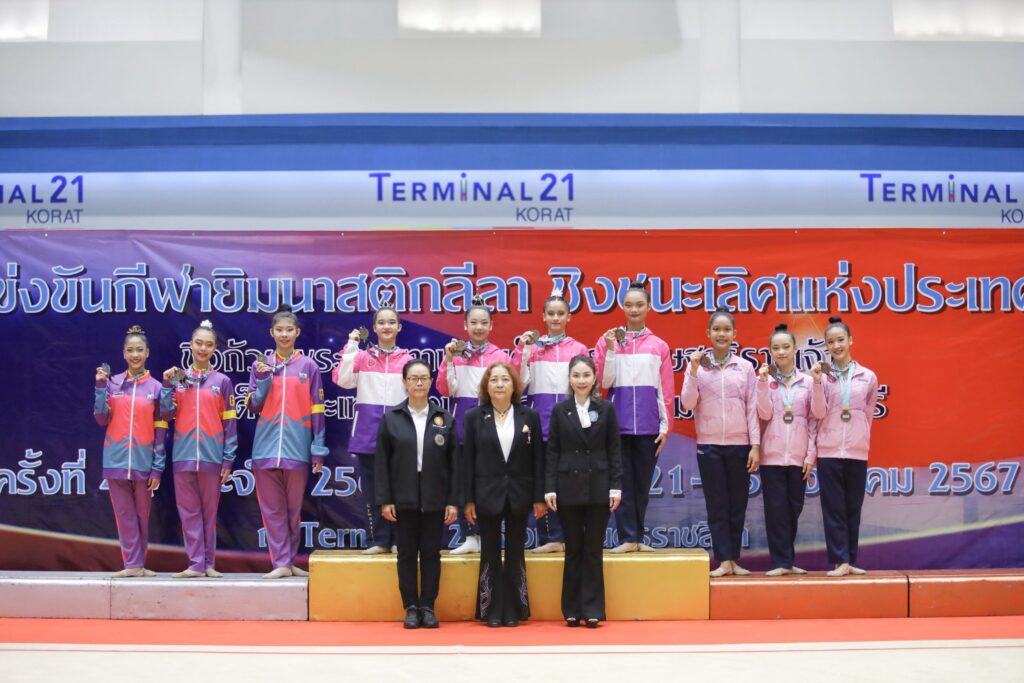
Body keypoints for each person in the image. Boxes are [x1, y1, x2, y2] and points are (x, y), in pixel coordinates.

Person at [245, 306, 328, 579]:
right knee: (272, 511)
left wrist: (318, 450)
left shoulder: (309, 367)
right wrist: (263, 379)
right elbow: (254, 406)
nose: (284, 334)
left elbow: (318, 409)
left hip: (297, 449)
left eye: (289, 329)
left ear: (297, 332)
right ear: (271, 333)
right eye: (279, 330)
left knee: (293, 511)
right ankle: (280, 562)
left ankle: (289, 562)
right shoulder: (260, 365)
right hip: (265, 449)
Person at [376, 359, 459, 629]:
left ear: (431, 381)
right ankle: (411, 607)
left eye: (424, 378)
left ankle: (428, 606)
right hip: (403, 495)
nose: (419, 383)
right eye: (413, 378)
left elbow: (454, 465)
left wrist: (453, 501)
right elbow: (382, 463)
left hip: (436, 496)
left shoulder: (444, 418)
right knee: (407, 553)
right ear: (405, 382)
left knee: (432, 553)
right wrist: (386, 500)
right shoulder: (392, 418)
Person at [593, 280, 674, 553]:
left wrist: (665, 427)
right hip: (617, 426)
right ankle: (627, 538)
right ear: (622, 307)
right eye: (629, 305)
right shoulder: (608, 341)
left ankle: (638, 537)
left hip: (650, 428)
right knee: (621, 484)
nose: (634, 310)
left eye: (639, 304)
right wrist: (610, 349)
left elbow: (665, 390)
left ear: (649, 306)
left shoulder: (659, 346)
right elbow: (603, 382)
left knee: (641, 485)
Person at [463, 363, 546, 627]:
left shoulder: (529, 416)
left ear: (514, 386)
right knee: (489, 551)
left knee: (515, 552)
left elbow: (538, 459)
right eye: (494, 380)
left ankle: (514, 609)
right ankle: (490, 609)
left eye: (505, 380)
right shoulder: (474, 417)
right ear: (486, 387)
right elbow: (467, 460)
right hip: (486, 494)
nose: (499, 384)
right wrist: (468, 499)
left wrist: (539, 497)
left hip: (519, 493)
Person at [680, 306, 760, 577]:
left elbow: (752, 408)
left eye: (726, 329)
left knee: (737, 504)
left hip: (740, 446)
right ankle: (723, 560)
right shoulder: (698, 367)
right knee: (716, 505)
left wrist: (755, 446)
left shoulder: (745, 367)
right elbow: (687, 403)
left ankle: (733, 560)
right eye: (716, 329)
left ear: (734, 334)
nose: (721, 334)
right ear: (708, 333)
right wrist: (692, 371)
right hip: (709, 446)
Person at [545, 355, 622, 628]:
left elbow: (614, 450)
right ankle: (571, 608)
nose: (581, 380)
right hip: (568, 488)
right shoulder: (560, 410)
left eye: (586, 375)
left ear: (594, 378)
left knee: (593, 549)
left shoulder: (606, 409)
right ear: (569, 379)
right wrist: (549, 488)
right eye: (576, 375)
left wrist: (615, 486)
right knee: (573, 549)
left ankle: (592, 609)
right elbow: (552, 451)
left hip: (599, 487)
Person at [511, 285, 589, 554]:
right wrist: (523, 350)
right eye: (551, 314)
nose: (556, 318)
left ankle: (569, 536)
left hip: (572, 429)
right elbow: (519, 384)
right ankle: (550, 537)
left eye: (560, 313)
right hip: (540, 428)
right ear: (543, 317)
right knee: (544, 484)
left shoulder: (579, 349)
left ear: (569, 317)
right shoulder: (532, 348)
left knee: (569, 484)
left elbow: (586, 387)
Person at [333, 304, 413, 555]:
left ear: (399, 327)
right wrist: (351, 347)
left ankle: (400, 539)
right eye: (381, 322)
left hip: (400, 436)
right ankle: (379, 540)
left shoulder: (408, 360)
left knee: (400, 490)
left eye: (391, 322)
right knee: (372, 490)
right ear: (374, 328)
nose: (387, 326)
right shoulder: (361, 357)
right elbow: (342, 380)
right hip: (367, 435)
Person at [160, 320, 238, 578]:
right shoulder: (179, 378)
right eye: (199, 343)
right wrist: (167, 386)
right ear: (190, 345)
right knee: (189, 513)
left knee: (209, 513)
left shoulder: (222, 381)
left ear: (215, 348)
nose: (203, 349)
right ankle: (195, 564)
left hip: (212, 456)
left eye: (208, 344)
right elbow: (166, 413)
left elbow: (230, 423)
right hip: (183, 456)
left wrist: (228, 459)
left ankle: (209, 564)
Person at [436, 294, 511, 555]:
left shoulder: (500, 356)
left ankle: (488, 535)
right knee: (463, 483)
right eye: (474, 323)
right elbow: (445, 390)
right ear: (465, 325)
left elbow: (509, 391)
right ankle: (469, 536)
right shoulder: (456, 353)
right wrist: (448, 360)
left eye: (484, 323)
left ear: (491, 326)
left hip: (494, 431)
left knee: (490, 484)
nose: (479, 327)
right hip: (461, 431)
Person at [93, 325, 167, 578]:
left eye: (139, 350)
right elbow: (101, 418)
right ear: (124, 353)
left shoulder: (156, 388)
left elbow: (161, 429)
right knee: (124, 516)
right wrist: (100, 387)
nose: (135, 355)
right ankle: (132, 565)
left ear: (147, 353)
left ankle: (139, 564)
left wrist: (157, 467)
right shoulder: (112, 383)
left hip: (145, 461)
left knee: (142, 516)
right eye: (130, 350)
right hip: (115, 460)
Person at [810, 316, 879, 578]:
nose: (836, 346)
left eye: (840, 340)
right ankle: (840, 560)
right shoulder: (822, 377)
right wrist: (817, 383)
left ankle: (850, 559)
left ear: (850, 340)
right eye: (831, 342)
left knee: (853, 507)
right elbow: (818, 412)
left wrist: (861, 437)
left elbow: (868, 413)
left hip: (856, 450)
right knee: (833, 508)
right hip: (828, 450)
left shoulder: (868, 376)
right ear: (826, 345)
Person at [755, 323, 816, 577]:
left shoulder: (808, 382)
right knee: (775, 509)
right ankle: (781, 561)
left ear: (794, 349)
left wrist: (811, 455)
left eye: (786, 347)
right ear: (770, 351)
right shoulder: (765, 381)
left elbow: (814, 420)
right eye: (776, 348)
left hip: (799, 456)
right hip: (772, 455)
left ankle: (787, 560)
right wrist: (761, 384)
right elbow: (763, 414)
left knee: (794, 508)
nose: (781, 352)